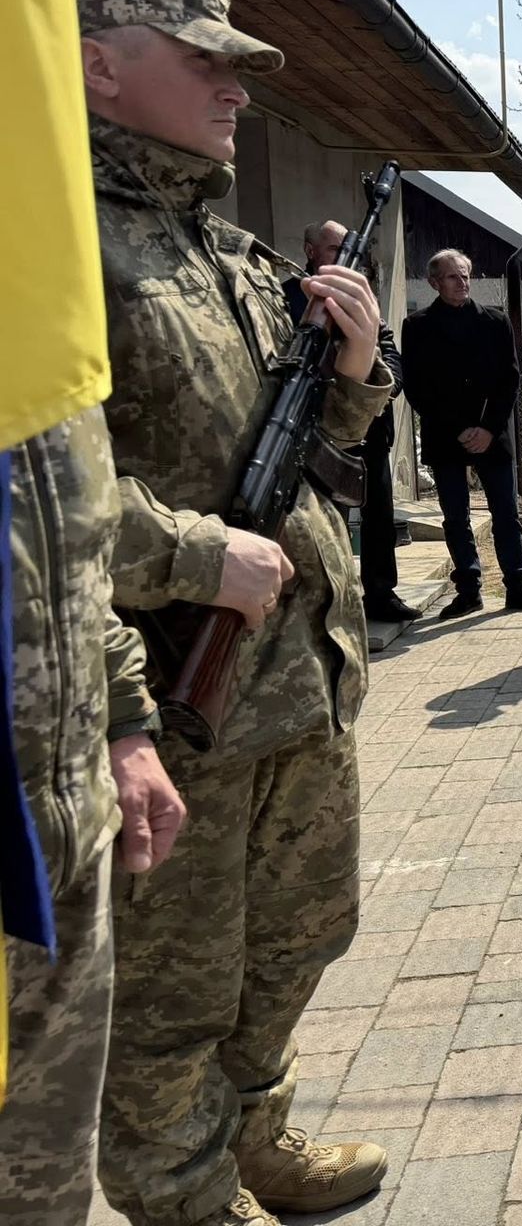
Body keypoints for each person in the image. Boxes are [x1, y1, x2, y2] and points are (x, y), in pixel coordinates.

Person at [77, 0, 392, 1225]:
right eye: (202, 59)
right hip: (168, 697)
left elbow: (316, 453)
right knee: (173, 987)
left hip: (297, 683)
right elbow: (36, 492)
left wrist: (357, 373)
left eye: (239, 64)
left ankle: (257, 1135)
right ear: (99, 67)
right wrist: (197, 558)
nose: (237, 87)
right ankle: (183, 1196)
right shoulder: (57, 252)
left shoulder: (232, 250)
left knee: (302, 934)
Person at [4, 410, 187, 1225]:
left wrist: (123, 721)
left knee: (46, 1193)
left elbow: (70, 551)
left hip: (64, 840)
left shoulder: (40, 350)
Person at [401, 249, 522, 619]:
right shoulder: (418, 326)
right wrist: (458, 429)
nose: (462, 283)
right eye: (453, 277)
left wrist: (487, 428)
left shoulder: (495, 321)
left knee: (506, 512)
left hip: (492, 433)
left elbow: (510, 379)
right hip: (446, 435)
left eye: (465, 275)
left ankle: (519, 586)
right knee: (456, 517)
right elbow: (418, 387)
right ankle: (468, 590)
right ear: (434, 282)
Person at [297, 220, 415, 623]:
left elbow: (390, 354)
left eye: (350, 249)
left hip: (371, 431)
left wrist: (377, 391)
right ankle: (331, 604)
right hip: (320, 437)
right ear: (311, 251)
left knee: (379, 517)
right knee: (327, 522)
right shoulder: (289, 297)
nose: (346, 257)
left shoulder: (362, 300)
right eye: (335, 249)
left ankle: (381, 594)